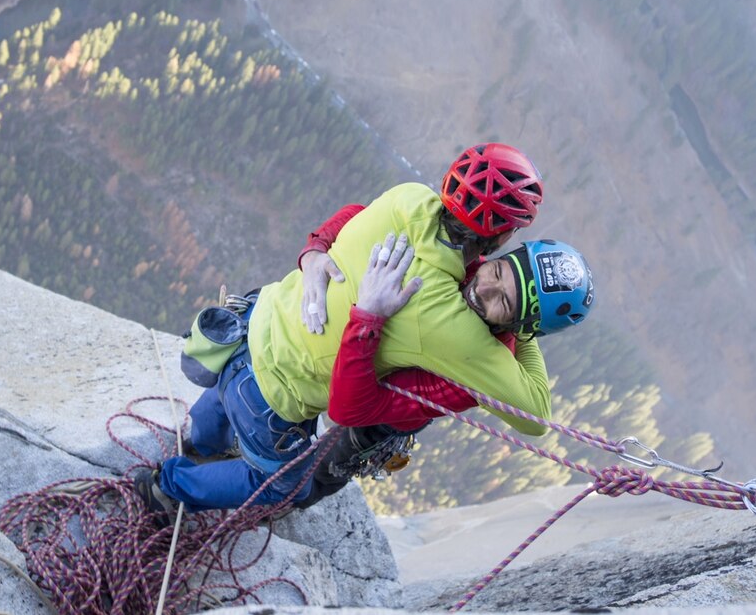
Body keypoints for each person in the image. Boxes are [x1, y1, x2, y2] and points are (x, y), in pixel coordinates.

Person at [134, 143, 556, 515]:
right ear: (501, 240)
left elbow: (356, 214)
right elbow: (536, 416)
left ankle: (200, 446)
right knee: (282, 487)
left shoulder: (407, 198)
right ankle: (167, 489)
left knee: (227, 400)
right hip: (269, 396)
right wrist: (523, 324)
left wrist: (315, 250)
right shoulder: (446, 321)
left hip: (252, 322)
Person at [295, 235, 594, 509]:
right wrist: (315, 251)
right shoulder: (465, 262)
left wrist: (368, 319)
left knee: (311, 481)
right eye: (499, 271)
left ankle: (287, 499)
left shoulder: (478, 371)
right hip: (335, 363)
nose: (484, 287)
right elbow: (363, 214)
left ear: (518, 325)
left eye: (504, 302)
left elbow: (350, 410)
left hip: (380, 411)